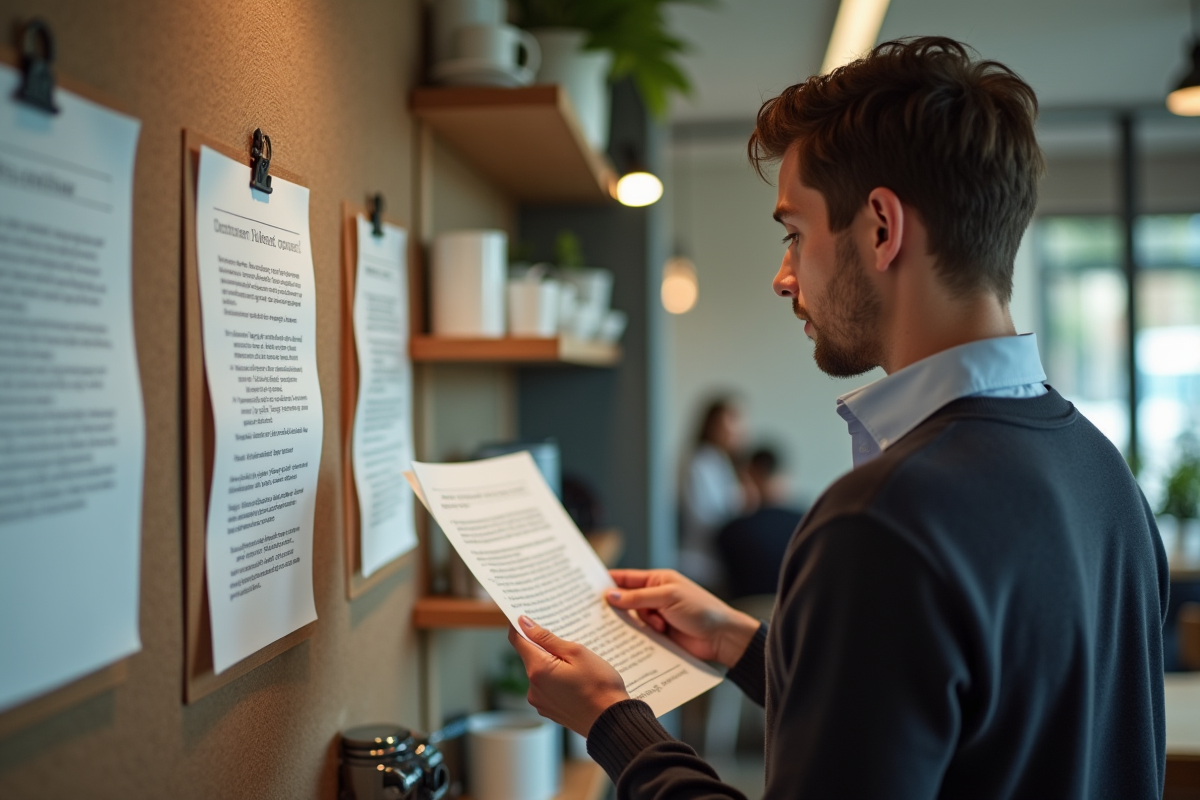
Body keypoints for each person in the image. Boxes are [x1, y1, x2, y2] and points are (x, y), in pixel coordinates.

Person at [507, 37, 1169, 799]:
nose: (782, 277)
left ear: (881, 228)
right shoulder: (1099, 470)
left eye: (794, 234)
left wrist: (612, 721)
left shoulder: (883, 520)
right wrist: (743, 645)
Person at [678, 397, 754, 590]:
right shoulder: (699, 462)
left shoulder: (724, 462)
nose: (736, 430)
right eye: (730, 422)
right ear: (712, 425)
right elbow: (703, 517)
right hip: (702, 562)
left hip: (720, 560)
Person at [717, 446, 805, 601]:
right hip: (795, 612)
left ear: (749, 476)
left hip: (744, 614)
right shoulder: (807, 522)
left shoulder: (731, 531)